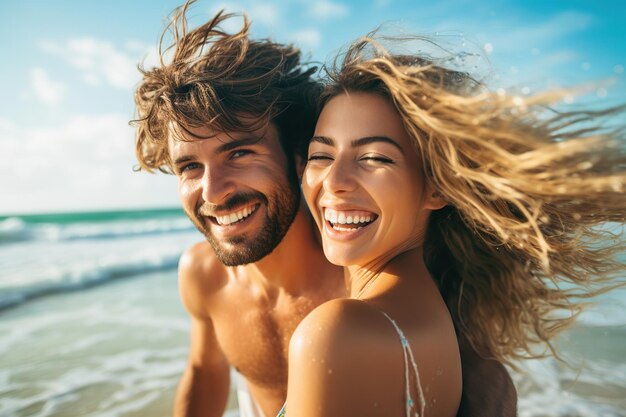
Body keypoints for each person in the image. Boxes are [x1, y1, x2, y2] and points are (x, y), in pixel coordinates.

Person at [133, 2, 518, 417]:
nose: (214, 192)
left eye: (240, 153)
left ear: (298, 155)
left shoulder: (365, 262)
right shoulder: (202, 274)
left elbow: (486, 385)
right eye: (190, 166)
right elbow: (205, 371)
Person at [279, 34, 626, 416]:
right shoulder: (436, 319)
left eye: (375, 157)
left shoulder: (337, 334)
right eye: (321, 155)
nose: (334, 180)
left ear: (436, 188)